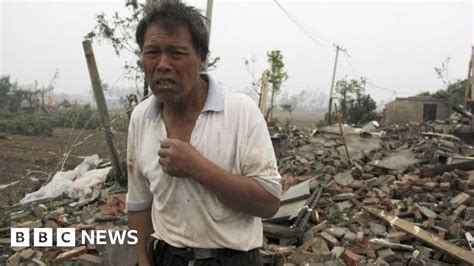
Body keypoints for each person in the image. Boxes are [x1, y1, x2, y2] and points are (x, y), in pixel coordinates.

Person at [126, 2, 282, 266]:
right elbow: (138, 203)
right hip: (168, 257)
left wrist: (198, 168)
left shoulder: (240, 112)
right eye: (152, 52)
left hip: (233, 260)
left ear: (201, 59)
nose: (163, 64)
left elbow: (268, 203)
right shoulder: (141, 118)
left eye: (176, 53)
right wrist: (143, 260)